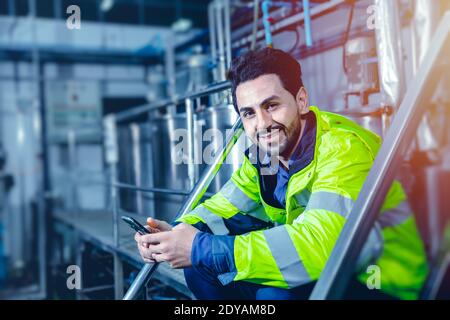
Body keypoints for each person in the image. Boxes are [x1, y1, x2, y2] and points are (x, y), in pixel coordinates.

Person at [135, 48, 428, 300]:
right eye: (249, 113)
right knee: (201, 268)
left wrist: (200, 247)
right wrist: (176, 233)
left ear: (301, 101)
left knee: (272, 294)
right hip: (322, 265)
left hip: (379, 281)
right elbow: (223, 208)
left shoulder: (344, 149)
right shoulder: (266, 159)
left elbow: (320, 245)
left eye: (271, 105)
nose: (262, 124)